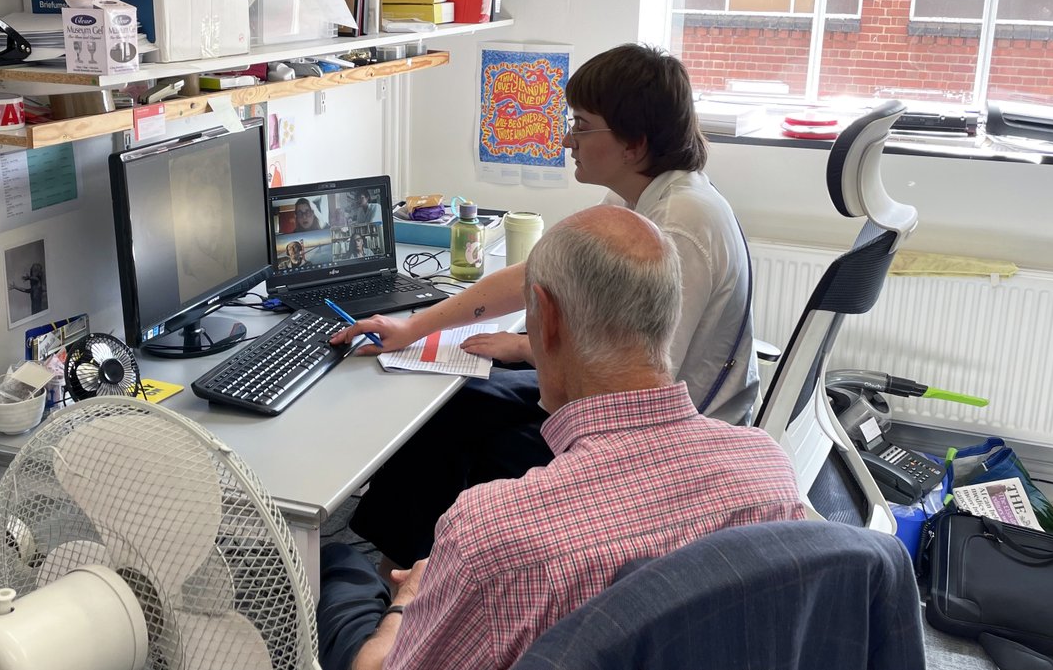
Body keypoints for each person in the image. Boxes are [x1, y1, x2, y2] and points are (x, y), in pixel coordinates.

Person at [316, 206, 803, 670]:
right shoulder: (771, 471)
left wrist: (406, 602)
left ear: (546, 320)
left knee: (338, 565)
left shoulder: (487, 532)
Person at [332, 43, 757, 568]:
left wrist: (524, 348)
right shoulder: (638, 195)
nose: (566, 139)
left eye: (582, 126)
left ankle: (433, 570)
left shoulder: (681, 225)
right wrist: (414, 327)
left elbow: (644, 375)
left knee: (483, 438)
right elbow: (541, 269)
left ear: (634, 144)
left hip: (665, 433)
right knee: (461, 402)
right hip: (620, 393)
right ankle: (402, 562)